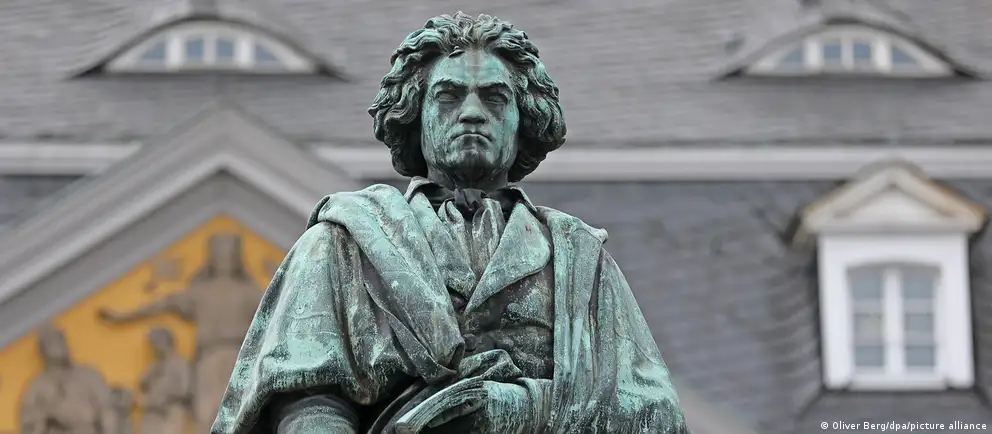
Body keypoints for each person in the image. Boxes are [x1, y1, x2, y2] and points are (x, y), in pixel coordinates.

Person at [212, 12, 688, 434]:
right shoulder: (342, 244)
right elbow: (305, 400)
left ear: (523, 119)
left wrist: (520, 408)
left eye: (495, 98)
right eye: (449, 96)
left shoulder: (579, 259)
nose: (473, 113)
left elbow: (657, 416)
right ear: (414, 116)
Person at [99, 234, 261, 434]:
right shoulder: (200, 291)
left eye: (228, 253)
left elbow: (284, 310)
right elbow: (162, 304)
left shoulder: (249, 291)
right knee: (207, 413)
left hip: (240, 358)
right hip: (208, 358)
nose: (224, 259)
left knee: (243, 411)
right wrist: (123, 316)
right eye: (220, 254)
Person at [20, 325, 117, 434]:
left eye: (62, 340)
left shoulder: (89, 375)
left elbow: (108, 410)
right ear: (43, 350)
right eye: (54, 342)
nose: (62, 345)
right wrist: (46, 416)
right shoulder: (37, 388)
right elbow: (30, 426)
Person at [137, 328, 191, 434]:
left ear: (165, 342)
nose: (154, 348)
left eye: (156, 343)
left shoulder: (180, 364)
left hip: (170, 413)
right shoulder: (154, 366)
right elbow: (142, 385)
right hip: (152, 414)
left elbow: (184, 390)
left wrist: (164, 397)